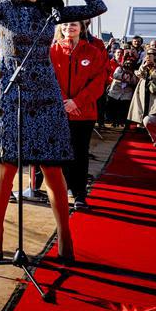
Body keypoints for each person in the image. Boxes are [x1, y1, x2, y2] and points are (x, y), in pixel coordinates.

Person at [0, 0, 106, 264]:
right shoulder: (2, 9)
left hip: (44, 92)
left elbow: (97, 7)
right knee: (7, 164)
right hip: (9, 91)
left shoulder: (51, 11)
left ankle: (65, 237)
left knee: (52, 167)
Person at [51, 21, 107, 209]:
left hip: (84, 113)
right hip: (59, 112)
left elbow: (99, 82)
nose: (69, 28)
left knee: (80, 153)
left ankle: (80, 194)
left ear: (81, 28)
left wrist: (77, 102)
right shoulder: (52, 51)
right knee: (61, 153)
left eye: (74, 24)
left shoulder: (93, 52)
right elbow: (48, 79)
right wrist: (64, 101)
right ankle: (65, 187)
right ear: (60, 28)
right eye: (65, 25)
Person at [127, 46, 156, 125]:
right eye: (148, 53)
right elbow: (139, 75)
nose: (150, 55)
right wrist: (144, 66)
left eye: (153, 54)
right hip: (144, 89)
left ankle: (152, 123)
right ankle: (141, 123)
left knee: (154, 108)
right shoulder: (144, 64)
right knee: (143, 106)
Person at [106, 50, 138, 128]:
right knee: (113, 107)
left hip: (126, 94)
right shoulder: (119, 69)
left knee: (123, 109)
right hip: (115, 92)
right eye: (127, 63)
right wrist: (124, 75)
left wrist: (130, 76)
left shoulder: (134, 72)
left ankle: (121, 122)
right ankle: (112, 121)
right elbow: (115, 75)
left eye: (130, 63)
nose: (128, 65)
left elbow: (135, 82)